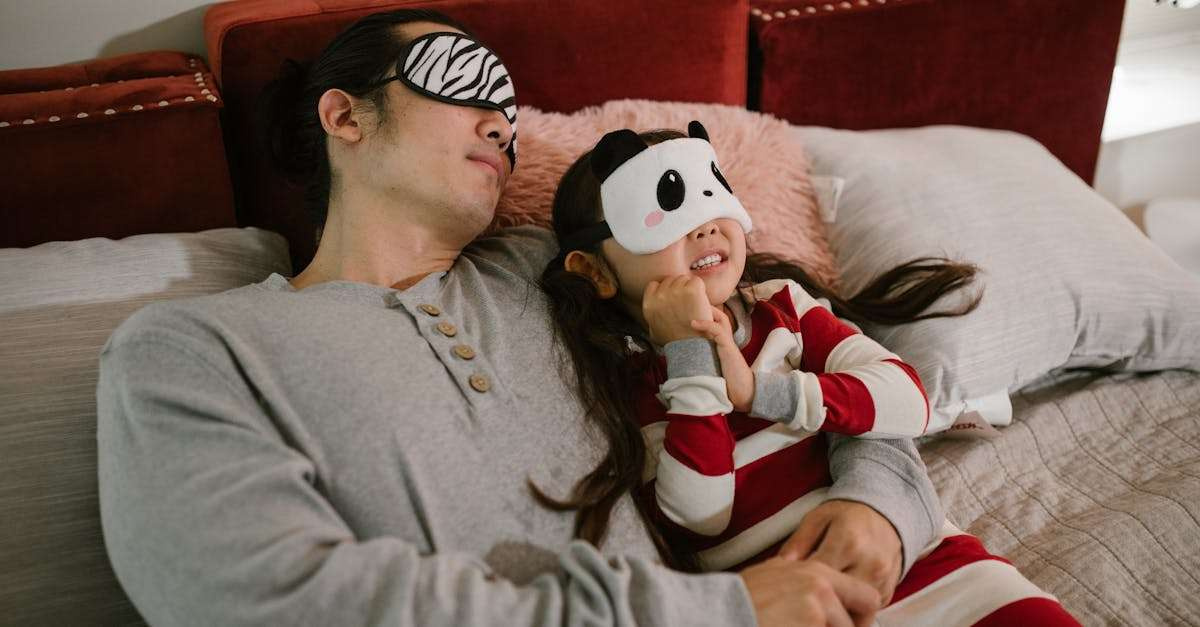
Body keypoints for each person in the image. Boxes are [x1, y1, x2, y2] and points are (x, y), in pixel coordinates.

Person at [99, 9, 943, 627]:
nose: (502, 124)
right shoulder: (191, 351)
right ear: (344, 114)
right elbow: (263, 599)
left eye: (508, 108)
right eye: (462, 83)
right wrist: (712, 611)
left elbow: (802, 345)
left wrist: (882, 502)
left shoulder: (574, 273)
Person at [538, 123, 1083, 625]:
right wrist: (690, 353)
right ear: (595, 271)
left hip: (919, 556)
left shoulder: (785, 309)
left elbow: (906, 401)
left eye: (713, 195)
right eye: (667, 212)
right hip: (794, 599)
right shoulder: (630, 380)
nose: (704, 226)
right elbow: (702, 516)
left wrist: (759, 391)